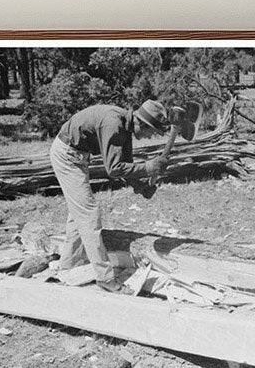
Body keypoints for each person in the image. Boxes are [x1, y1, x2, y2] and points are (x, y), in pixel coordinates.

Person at [49, 100, 169, 293]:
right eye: (151, 131)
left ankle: (68, 264)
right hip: (67, 155)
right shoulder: (114, 124)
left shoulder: (126, 127)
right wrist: (147, 167)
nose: (150, 136)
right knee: (88, 213)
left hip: (78, 155)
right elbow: (113, 169)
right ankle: (105, 278)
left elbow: (125, 166)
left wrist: (141, 186)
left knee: (78, 214)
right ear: (141, 123)